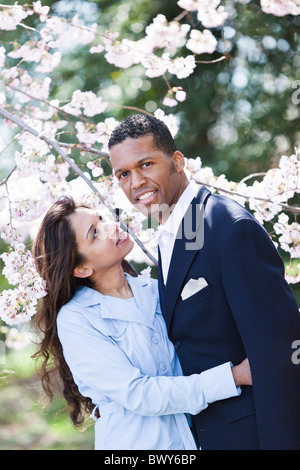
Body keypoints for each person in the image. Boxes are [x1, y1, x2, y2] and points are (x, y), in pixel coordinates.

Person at [108, 113, 300, 450]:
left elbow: (280, 355)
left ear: (177, 161)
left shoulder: (229, 228)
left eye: (146, 164)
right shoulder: (179, 229)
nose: (135, 182)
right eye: (124, 174)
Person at [32, 196, 252, 450]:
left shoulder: (157, 290)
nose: (111, 226)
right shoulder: (77, 319)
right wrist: (233, 377)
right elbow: (138, 394)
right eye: (95, 233)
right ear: (81, 268)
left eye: (102, 218)